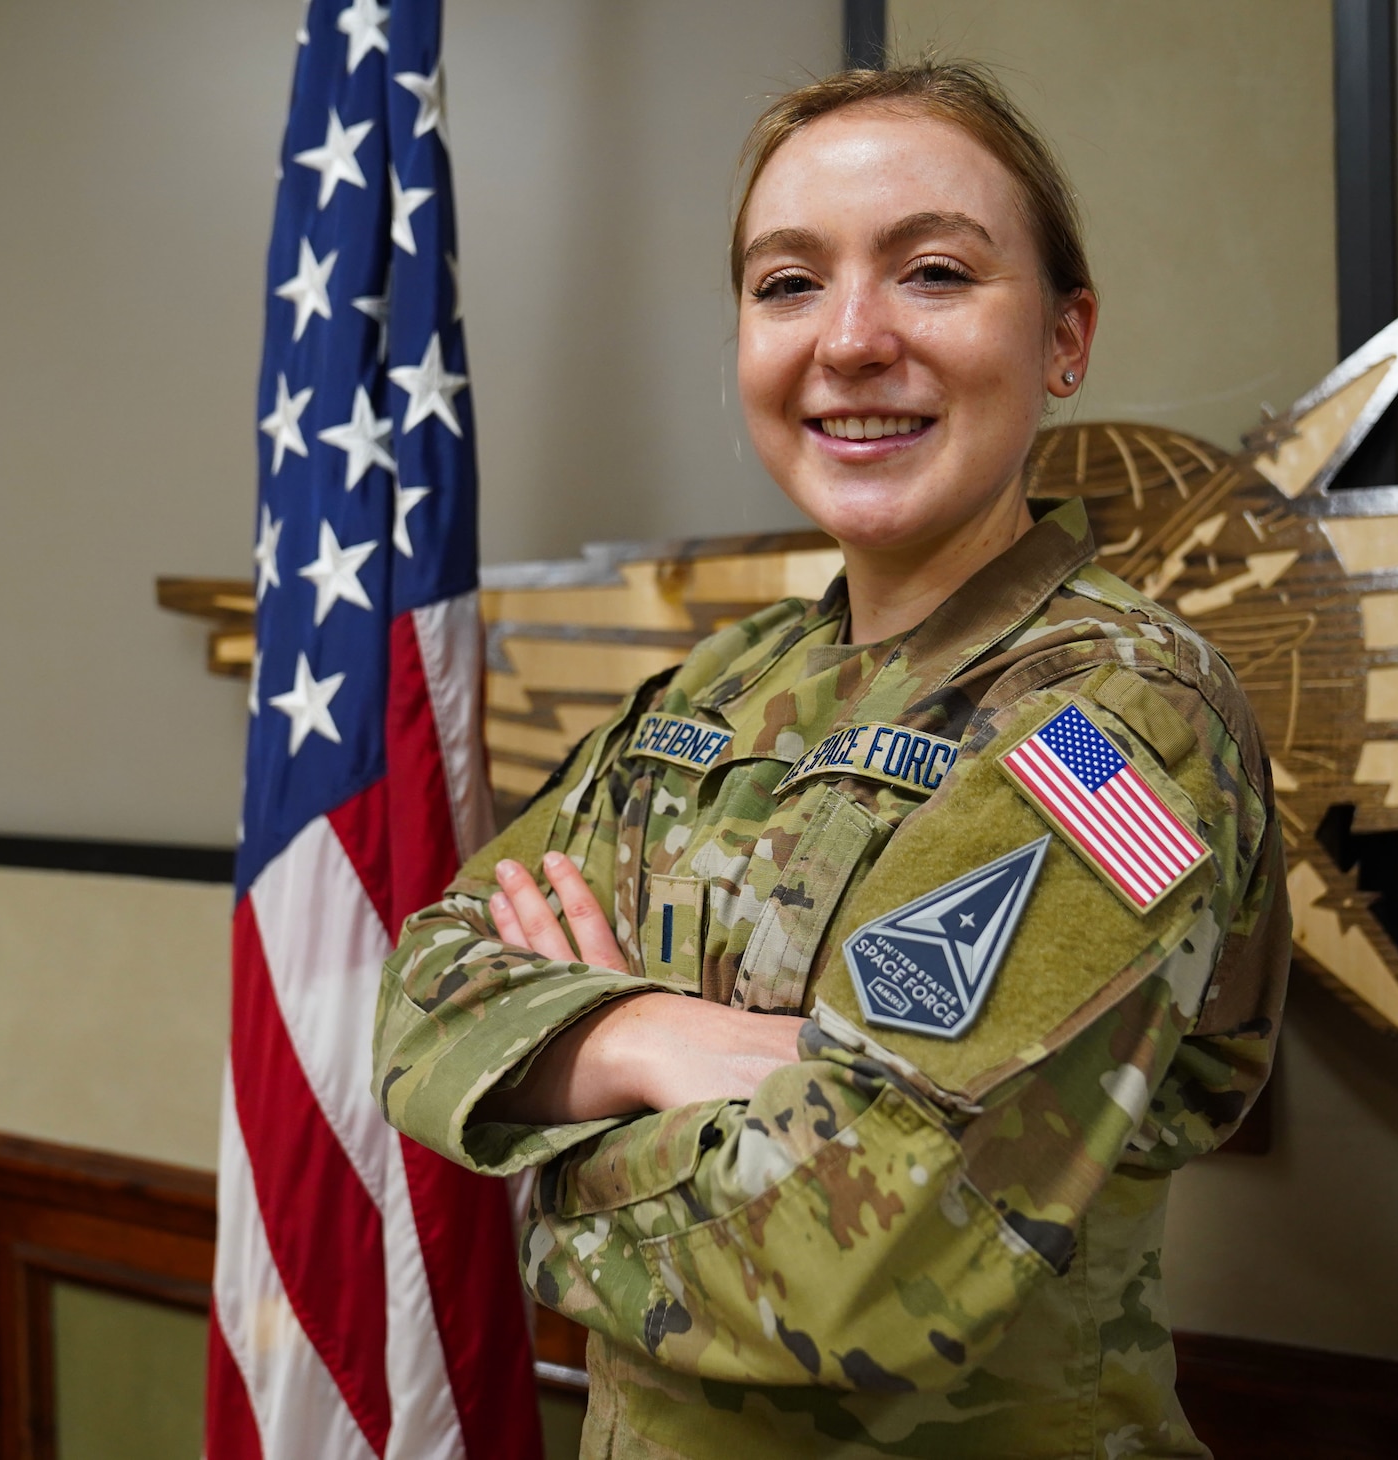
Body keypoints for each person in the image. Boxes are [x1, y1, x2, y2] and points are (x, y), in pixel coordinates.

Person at [373, 59, 1289, 1460]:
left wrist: (543, 1123)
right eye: (787, 284)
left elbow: (838, 1265)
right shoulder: (724, 688)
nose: (849, 340)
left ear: (1064, 337)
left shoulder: (1116, 726)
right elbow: (426, 986)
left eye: (931, 273)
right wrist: (660, 1040)